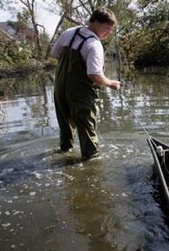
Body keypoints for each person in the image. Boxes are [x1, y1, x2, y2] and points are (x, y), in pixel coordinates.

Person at [50, 7, 121, 161]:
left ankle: (65, 155)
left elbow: (55, 54)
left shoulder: (69, 32)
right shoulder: (94, 44)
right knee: (88, 134)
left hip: (59, 91)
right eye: (106, 28)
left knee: (66, 130)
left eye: (110, 30)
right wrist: (110, 83)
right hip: (80, 95)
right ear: (94, 21)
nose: (108, 33)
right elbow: (94, 75)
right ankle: (91, 165)